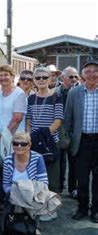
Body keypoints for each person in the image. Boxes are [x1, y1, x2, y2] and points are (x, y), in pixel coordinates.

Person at [64, 60, 98, 222]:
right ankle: (82, 208)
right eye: (88, 71)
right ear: (83, 75)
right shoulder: (74, 92)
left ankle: (96, 210)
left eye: (95, 71)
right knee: (82, 179)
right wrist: (70, 140)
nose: (92, 74)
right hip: (81, 142)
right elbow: (68, 119)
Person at [2, 132, 48, 235]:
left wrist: (29, 192)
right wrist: (18, 193)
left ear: (29, 145)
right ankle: (21, 226)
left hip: (33, 194)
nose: (19, 146)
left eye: (23, 144)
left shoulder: (38, 158)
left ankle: (32, 226)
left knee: (30, 198)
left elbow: (44, 183)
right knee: (5, 230)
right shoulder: (8, 160)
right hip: (14, 194)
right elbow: (5, 184)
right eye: (16, 143)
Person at [26, 67, 63, 196]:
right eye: (38, 78)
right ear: (34, 80)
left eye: (44, 77)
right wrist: (33, 136)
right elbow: (28, 121)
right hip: (35, 142)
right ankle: (39, 205)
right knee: (36, 175)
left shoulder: (56, 96)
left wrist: (43, 136)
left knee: (52, 177)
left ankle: (52, 208)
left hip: (50, 141)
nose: (41, 80)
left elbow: (58, 121)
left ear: (50, 78)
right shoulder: (30, 98)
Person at [0, 65, 27, 166]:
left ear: (12, 77)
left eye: (6, 75)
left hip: (15, 141)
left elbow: (17, 118)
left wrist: (4, 135)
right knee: (2, 171)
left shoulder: (19, 94)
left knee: (14, 171)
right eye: (0, 75)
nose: (3, 78)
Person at [57, 66, 80, 197]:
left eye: (76, 76)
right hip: (60, 131)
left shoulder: (80, 91)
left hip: (75, 132)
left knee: (74, 162)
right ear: (63, 78)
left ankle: (73, 189)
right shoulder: (56, 91)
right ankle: (59, 187)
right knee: (60, 161)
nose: (74, 79)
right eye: (70, 76)